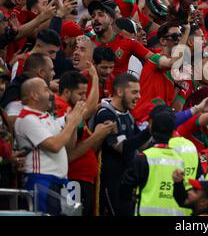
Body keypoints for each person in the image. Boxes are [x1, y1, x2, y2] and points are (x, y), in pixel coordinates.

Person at [15, 77, 86, 215]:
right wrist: (71, 123)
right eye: (46, 89)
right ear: (34, 95)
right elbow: (54, 145)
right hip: (41, 180)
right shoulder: (27, 119)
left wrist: (72, 123)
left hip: (60, 181)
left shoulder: (47, 117)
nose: (51, 93)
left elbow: (68, 146)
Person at [55, 68, 115, 216]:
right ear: (67, 92)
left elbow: (91, 106)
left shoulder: (73, 109)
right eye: (80, 94)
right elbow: (70, 154)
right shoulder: (64, 110)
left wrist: (94, 77)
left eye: (85, 94)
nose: (83, 99)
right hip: (74, 180)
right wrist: (97, 135)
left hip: (83, 182)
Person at [91, 73, 150, 216]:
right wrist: (148, 131)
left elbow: (141, 145)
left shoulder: (127, 115)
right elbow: (122, 147)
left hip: (126, 183)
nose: (139, 97)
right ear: (119, 92)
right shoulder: (106, 114)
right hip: (110, 182)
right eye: (134, 92)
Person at [121, 110, 185, 216]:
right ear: (172, 132)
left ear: (152, 130)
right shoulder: (180, 159)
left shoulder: (143, 157)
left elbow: (125, 189)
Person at [88, 1, 154, 77]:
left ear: (111, 20)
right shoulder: (87, 44)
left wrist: (167, 62)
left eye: (100, 15)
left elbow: (154, 59)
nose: (95, 18)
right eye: (93, 16)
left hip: (119, 87)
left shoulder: (127, 42)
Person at [1, 53, 55, 126]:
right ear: (41, 73)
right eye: (51, 70)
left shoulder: (33, 88)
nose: (54, 73)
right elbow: (14, 123)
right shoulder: (16, 93)